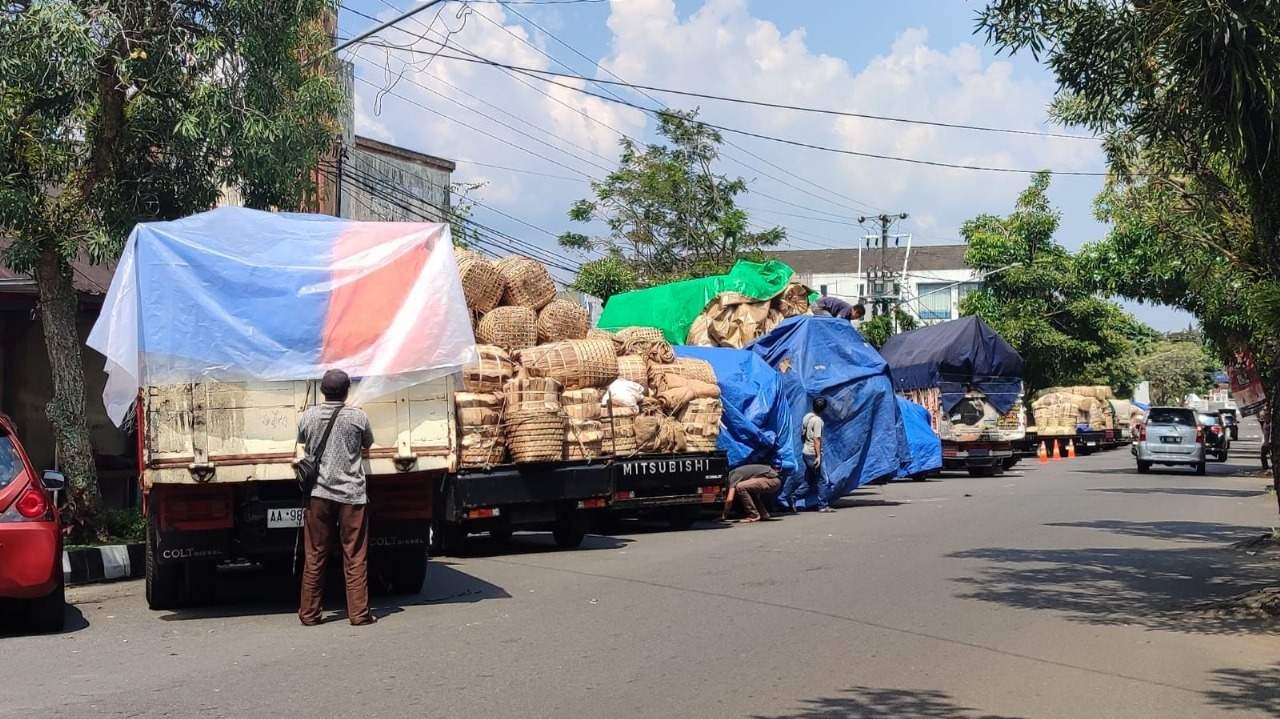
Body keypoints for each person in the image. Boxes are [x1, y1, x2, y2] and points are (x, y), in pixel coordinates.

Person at [297, 369, 376, 627]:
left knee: (315, 553)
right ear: (347, 391)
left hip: (318, 494)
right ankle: (359, 614)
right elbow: (367, 444)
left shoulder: (308, 417)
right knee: (354, 555)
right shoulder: (358, 417)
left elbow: (303, 442)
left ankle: (309, 614)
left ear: (322, 390)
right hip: (352, 495)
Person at [799, 397, 834, 512]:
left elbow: (802, 434)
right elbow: (817, 439)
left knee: (809, 480)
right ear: (824, 409)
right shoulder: (818, 421)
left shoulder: (807, 417)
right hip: (813, 453)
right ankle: (822, 505)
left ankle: (792, 496)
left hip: (805, 452)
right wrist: (818, 456)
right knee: (823, 480)